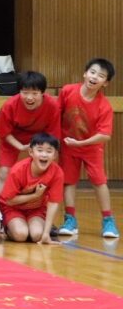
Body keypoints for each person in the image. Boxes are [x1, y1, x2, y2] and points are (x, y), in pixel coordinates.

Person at [57, 58, 118, 238]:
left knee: (99, 182)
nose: (94, 77)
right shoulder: (67, 91)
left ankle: (108, 220)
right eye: (92, 72)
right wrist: (57, 141)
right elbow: (56, 114)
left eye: (101, 76)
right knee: (69, 181)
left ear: (105, 83)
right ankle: (70, 219)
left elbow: (105, 135)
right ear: (85, 73)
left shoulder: (104, 106)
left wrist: (81, 143)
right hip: (68, 145)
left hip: (91, 147)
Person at [0, 71, 60, 194]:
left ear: (42, 93)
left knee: (45, 171)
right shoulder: (9, 105)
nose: (29, 97)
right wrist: (20, 146)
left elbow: (52, 135)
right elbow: (4, 133)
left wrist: (41, 150)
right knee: (4, 173)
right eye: (25, 93)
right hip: (12, 139)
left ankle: (41, 203)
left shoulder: (52, 105)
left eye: (34, 93)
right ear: (19, 91)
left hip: (41, 140)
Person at [0, 133, 64, 244]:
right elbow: (9, 201)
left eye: (49, 151)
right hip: (13, 208)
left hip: (36, 209)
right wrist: (34, 195)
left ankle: (43, 228)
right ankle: (6, 227)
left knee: (37, 235)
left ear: (55, 155)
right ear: (31, 152)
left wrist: (46, 234)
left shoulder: (57, 173)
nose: (44, 155)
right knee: (21, 235)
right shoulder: (18, 170)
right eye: (40, 150)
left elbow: (53, 203)